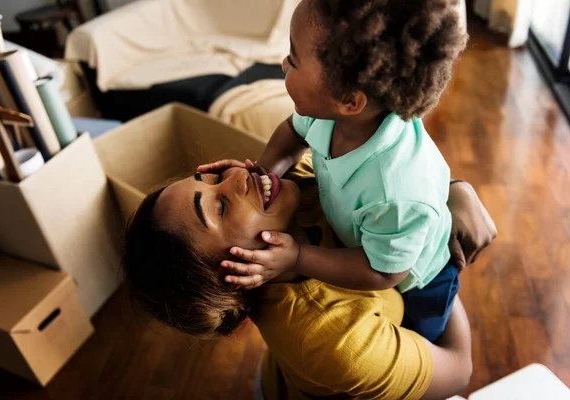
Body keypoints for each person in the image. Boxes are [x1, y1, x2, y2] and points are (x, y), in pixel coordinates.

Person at [198, 0, 469, 342]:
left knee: (419, 333)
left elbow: (382, 270)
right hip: (373, 238)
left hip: (420, 278)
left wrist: (299, 257)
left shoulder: (396, 192)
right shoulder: (330, 114)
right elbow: (292, 132)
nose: (283, 63)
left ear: (350, 100)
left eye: (293, 60)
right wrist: (266, 172)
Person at [122, 156, 497, 399]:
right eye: (219, 206)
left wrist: (452, 191)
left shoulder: (297, 185)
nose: (238, 176)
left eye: (213, 176)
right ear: (232, 277)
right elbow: (459, 368)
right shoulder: (336, 343)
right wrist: (436, 259)